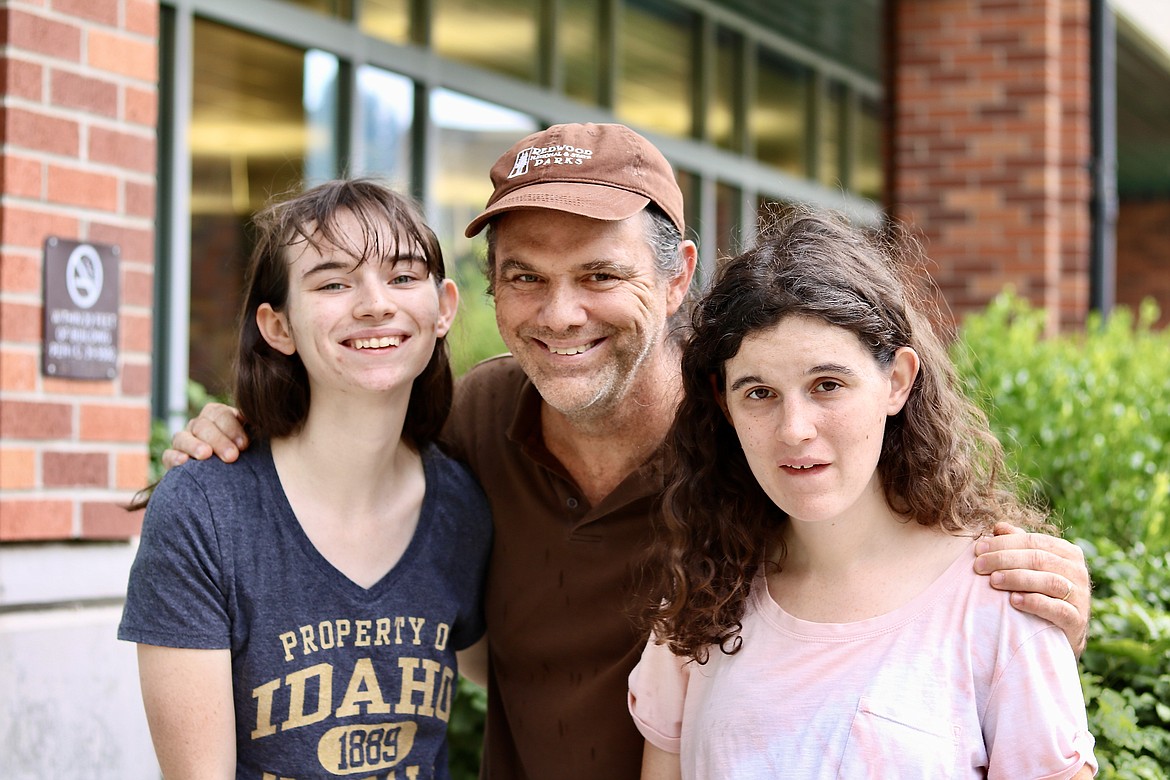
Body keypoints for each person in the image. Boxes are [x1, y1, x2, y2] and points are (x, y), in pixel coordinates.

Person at [163, 123, 1094, 780]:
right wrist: (236, 434)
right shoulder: (474, 418)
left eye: (601, 275)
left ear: (677, 275)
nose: (560, 314)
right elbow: (339, 454)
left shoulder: (755, 429)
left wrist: (1029, 608)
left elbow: (901, 561)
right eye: (525, 279)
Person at [629, 208, 1096, 778]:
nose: (795, 428)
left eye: (828, 385)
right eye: (759, 393)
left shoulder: (1000, 603)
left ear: (897, 381)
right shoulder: (701, 596)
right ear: (724, 403)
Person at [120, 179, 492, 778]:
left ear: (443, 307)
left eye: (402, 277)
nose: (375, 304)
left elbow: (520, 673)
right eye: (333, 283)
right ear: (279, 327)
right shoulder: (206, 513)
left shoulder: (464, 506)